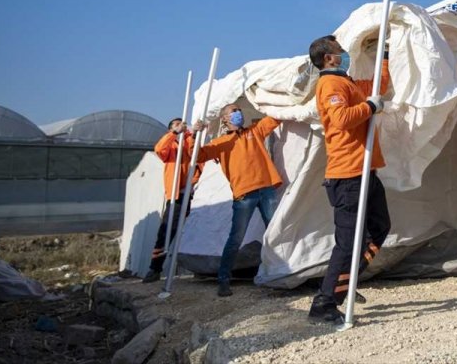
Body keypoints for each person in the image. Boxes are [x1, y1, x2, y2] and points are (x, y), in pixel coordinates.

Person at [306, 34, 392, 323]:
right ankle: (324, 303)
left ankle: (348, 280)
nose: (344, 53)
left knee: (379, 228)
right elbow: (342, 119)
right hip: (348, 175)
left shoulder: (349, 82)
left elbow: (379, 86)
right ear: (329, 58)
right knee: (348, 242)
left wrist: (386, 53)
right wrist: (371, 107)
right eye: (340, 50)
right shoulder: (330, 84)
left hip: (366, 171)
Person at [193, 104, 284, 297]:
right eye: (233, 111)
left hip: (266, 188)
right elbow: (198, 155)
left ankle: (279, 272)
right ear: (225, 119)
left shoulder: (254, 131)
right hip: (244, 194)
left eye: (238, 109)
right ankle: (223, 280)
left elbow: (275, 118)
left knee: (275, 233)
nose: (238, 113)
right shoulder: (221, 143)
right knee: (236, 238)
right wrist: (196, 134)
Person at [142, 118, 202, 283]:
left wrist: (196, 133)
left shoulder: (190, 140)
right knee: (167, 231)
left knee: (197, 229)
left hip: (195, 192)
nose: (181, 125)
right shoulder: (170, 146)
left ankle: (200, 267)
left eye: (182, 123)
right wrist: (174, 133)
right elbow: (159, 149)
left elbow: (198, 155)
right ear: (171, 129)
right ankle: (155, 268)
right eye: (176, 124)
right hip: (177, 195)